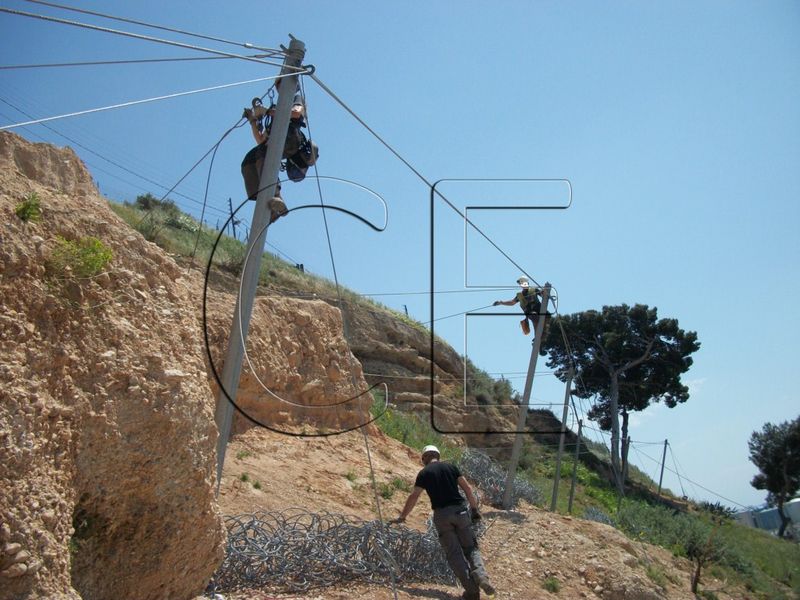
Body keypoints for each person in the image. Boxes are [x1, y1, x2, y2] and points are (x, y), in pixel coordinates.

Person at [391, 445, 496, 600]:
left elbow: (414, 496)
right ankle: (481, 576)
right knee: (471, 548)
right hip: (460, 512)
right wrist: (474, 510)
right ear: (438, 456)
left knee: (454, 554)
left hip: (441, 515)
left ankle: (472, 592)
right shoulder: (451, 467)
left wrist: (403, 516)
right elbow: (467, 489)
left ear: (425, 458)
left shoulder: (424, 473)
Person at [240, 77, 306, 222]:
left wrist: (268, 111)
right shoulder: (276, 110)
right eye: (278, 85)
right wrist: (252, 120)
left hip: (291, 138)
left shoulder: (296, 98)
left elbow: (296, 113)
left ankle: (276, 195)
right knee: (249, 160)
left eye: (282, 84)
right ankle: (265, 200)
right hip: (275, 140)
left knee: (264, 151)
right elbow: (261, 140)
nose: (279, 87)